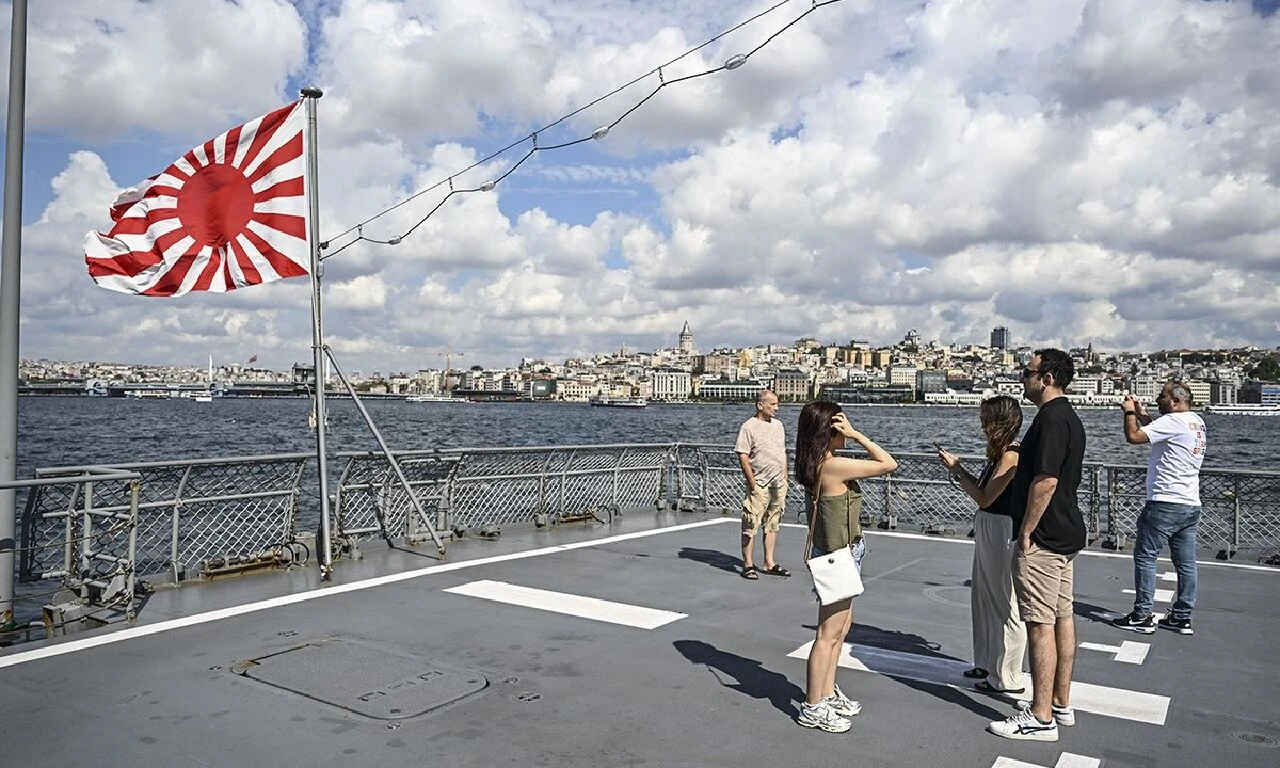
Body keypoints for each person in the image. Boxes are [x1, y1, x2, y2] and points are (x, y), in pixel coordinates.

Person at [988, 348, 1086, 743]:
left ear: (1047, 378)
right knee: (1063, 617)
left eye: (1027, 372)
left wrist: (1026, 530)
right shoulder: (1071, 418)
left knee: (1039, 624)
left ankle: (1040, 716)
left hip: (1043, 537)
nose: (1022, 378)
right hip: (1066, 532)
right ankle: (1061, 702)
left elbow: (1045, 481)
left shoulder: (1048, 420)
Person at [794, 402, 897, 733]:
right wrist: (856, 434)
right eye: (839, 427)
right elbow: (888, 463)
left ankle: (826, 692)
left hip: (840, 552)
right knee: (827, 634)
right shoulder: (833, 466)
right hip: (839, 555)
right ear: (830, 431)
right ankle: (813, 706)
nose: (845, 432)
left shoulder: (815, 464)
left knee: (839, 630)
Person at [938, 395, 1027, 694]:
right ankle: (988, 662)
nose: (981, 424)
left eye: (984, 419)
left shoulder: (1010, 456)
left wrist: (957, 471)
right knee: (984, 597)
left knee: (1004, 601)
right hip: (991, 525)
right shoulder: (1001, 454)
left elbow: (985, 497)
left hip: (1001, 528)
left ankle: (1008, 675)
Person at [1111, 381, 1207, 636]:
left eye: (1163, 396)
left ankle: (1142, 615)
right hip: (1190, 504)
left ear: (1176, 401)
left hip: (1164, 503)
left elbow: (1134, 437)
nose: (1157, 398)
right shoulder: (1195, 421)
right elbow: (1162, 431)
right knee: (1185, 563)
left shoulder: (1173, 422)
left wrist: (1130, 412)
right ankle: (1181, 616)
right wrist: (1144, 415)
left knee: (1145, 557)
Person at [735, 389, 790, 580]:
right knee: (751, 523)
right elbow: (743, 455)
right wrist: (752, 482)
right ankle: (748, 564)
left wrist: (785, 477)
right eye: (773, 404)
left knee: (773, 523)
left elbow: (782, 452)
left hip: (778, 482)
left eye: (777, 404)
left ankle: (769, 562)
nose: (777, 408)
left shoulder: (779, 425)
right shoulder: (748, 427)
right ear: (760, 405)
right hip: (759, 483)